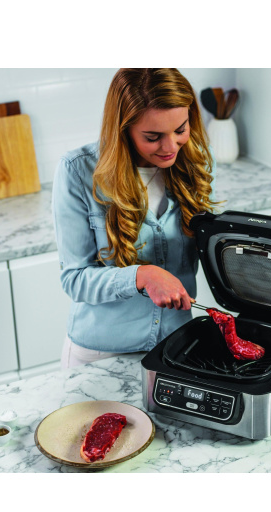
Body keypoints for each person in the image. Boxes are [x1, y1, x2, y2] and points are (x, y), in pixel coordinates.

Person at [52, 68, 218, 368]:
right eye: (153, 137)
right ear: (123, 129)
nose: (170, 147)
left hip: (176, 345)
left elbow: (212, 248)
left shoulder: (197, 164)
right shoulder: (78, 171)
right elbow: (75, 280)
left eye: (180, 130)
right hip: (102, 353)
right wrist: (142, 276)